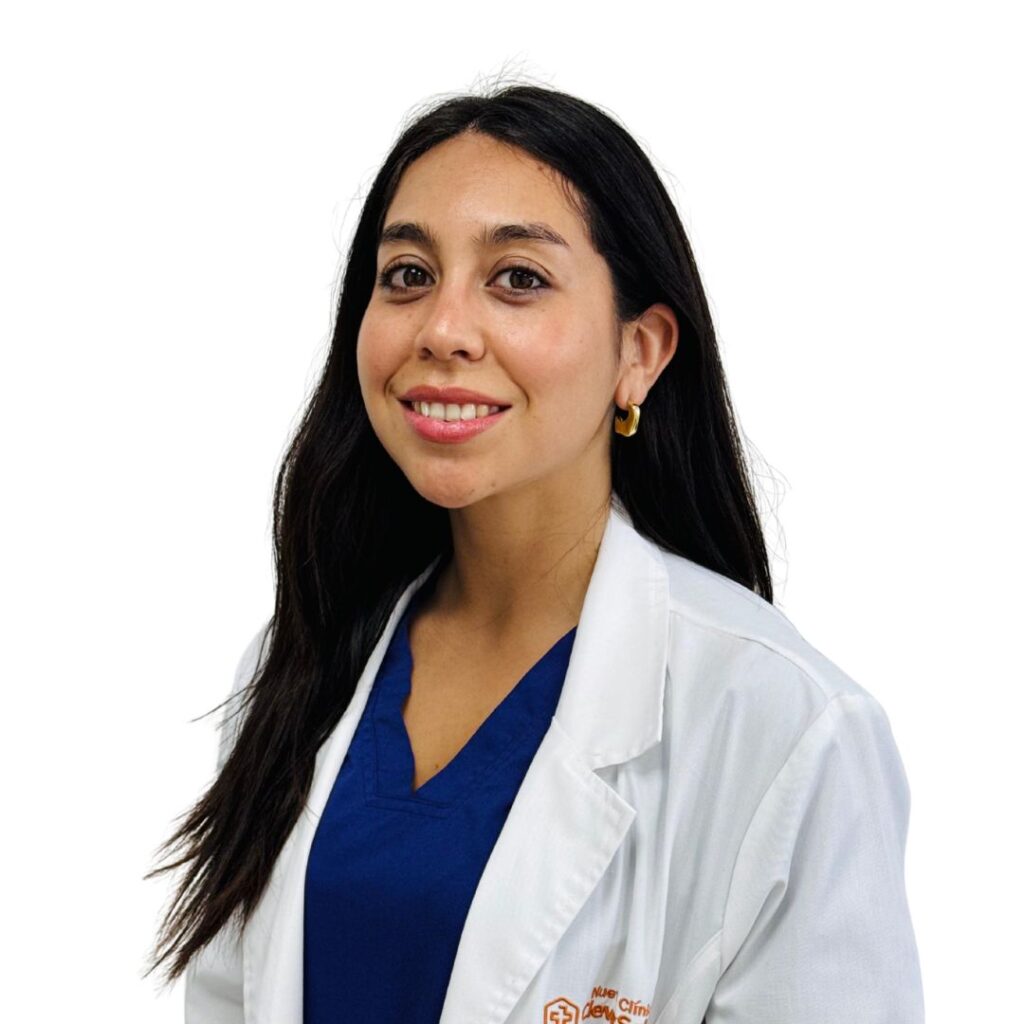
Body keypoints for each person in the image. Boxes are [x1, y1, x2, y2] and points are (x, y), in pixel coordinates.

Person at [145, 83, 925, 1023]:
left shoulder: (787, 727)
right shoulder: (300, 663)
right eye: (406, 275)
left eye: (517, 278)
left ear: (640, 351)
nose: (442, 330)